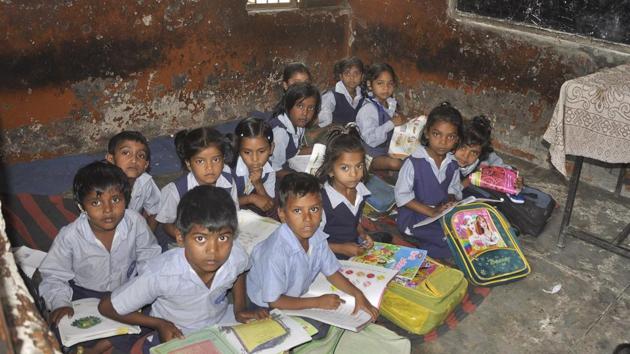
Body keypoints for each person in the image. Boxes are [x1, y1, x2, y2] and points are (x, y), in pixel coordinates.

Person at [98, 186, 268, 351]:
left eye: (223, 237)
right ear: (180, 238)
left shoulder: (235, 255)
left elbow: (240, 271)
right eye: (201, 239)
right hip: (177, 334)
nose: (213, 250)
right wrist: (159, 324)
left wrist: (239, 309)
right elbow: (106, 307)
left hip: (220, 323)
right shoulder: (160, 274)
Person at [39, 161, 161, 354]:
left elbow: (149, 257)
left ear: (126, 200)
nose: (107, 210)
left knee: (159, 312)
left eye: (115, 200)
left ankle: (99, 347)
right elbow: (53, 274)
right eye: (96, 202)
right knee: (57, 326)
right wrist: (60, 303)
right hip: (85, 295)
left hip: (126, 291)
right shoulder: (70, 236)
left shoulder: (135, 222)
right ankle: (107, 342)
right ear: (81, 207)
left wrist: (142, 289)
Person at [246, 172, 379, 337]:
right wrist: (317, 302)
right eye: (297, 211)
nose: (308, 218)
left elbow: (331, 272)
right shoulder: (275, 253)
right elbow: (275, 300)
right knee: (318, 330)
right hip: (264, 304)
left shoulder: (316, 237)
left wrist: (358, 294)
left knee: (331, 323)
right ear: (282, 215)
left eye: (314, 209)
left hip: (294, 294)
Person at [394, 102, 464, 260]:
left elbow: (453, 189)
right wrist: (432, 212)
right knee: (448, 240)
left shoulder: (452, 164)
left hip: (439, 213)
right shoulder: (414, 162)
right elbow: (402, 197)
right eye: (437, 134)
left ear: (457, 139)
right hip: (415, 216)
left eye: (450, 137)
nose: (443, 141)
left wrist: (450, 201)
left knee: (464, 231)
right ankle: (425, 253)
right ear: (426, 133)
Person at [155, 127, 238, 249]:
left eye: (215, 159)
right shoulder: (176, 190)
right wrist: (185, 240)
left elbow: (234, 213)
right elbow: (166, 223)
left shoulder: (229, 182)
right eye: (200, 161)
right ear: (188, 164)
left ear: (223, 159)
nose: (209, 168)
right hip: (182, 244)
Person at [315, 126, 378, 259]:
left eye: (359, 166)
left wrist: (362, 234)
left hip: (353, 253)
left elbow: (355, 223)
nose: (354, 174)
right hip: (327, 257)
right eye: (345, 168)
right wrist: (341, 249)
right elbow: (309, 242)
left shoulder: (361, 192)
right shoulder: (321, 202)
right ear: (330, 170)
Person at [454, 115, 524, 202]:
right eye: (463, 148)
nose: (465, 156)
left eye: (473, 153)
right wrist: (468, 180)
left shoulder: (485, 158)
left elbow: (504, 169)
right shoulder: (444, 157)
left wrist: (516, 180)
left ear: (480, 153)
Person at [356, 63, 408, 172]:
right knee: (395, 164)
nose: (386, 88)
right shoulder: (368, 109)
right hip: (369, 156)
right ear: (370, 85)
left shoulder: (390, 105)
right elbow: (371, 139)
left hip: (387, 151)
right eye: (380, 83)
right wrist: (391, 123)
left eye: (390, 83)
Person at [105, 131, 160, 231]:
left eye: (141, 156)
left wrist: (148, 236)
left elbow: (154, 211)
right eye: (126, 153)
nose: (134, 160)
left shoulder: (145, 182)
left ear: (146, 165)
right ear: (111, 159)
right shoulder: (100, 185)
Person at [268, 82, 322, 177]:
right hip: (273, 175)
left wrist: (317, 150)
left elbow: (294, 150)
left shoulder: (298, 124)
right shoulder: (280, 133)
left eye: (311, 108)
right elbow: (273, 170)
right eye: (300, 106)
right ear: (288, 106)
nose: (305, 113)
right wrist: (300, 176)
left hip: (288, 162)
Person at [228, 116, 276, 215]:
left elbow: (269, 204)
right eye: (247, 152)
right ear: (238, 150)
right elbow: (221, 204)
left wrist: (258, 184)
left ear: (271, 149)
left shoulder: (269, 170)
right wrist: (250, 198)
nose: (255, 159)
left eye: (261, 151)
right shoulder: (228, 169)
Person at [318, 57, 365, 127]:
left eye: (356, 74)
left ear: (362, 76)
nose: (352, 77)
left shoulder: (364, 96)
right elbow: (324, 121)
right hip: (335, 136)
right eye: (347, 74)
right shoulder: (331, 96)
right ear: (341, 76)